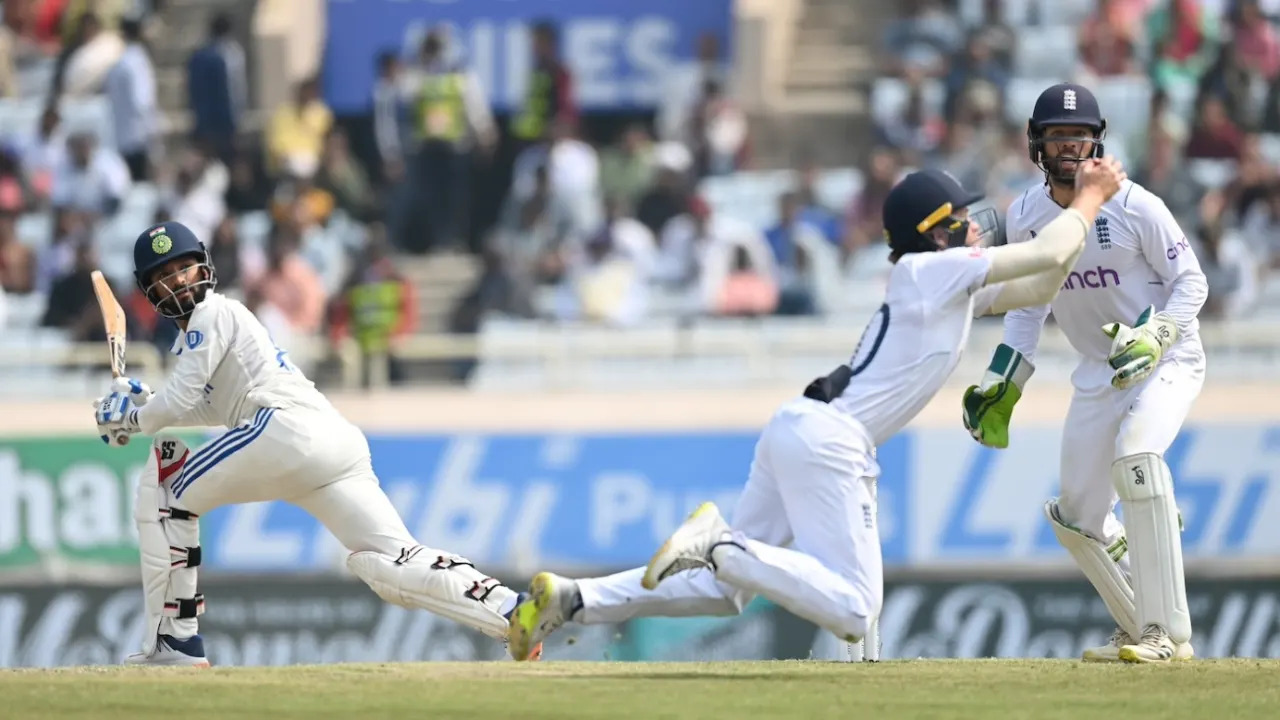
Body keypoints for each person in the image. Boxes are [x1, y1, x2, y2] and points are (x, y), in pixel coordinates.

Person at [505, 156, 1130, 662]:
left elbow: (1044, 281)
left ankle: (573, 599)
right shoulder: (929, 271)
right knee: (857, 609)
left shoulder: (941, 281)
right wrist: (1091, 196)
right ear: (935, 230)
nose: (974, 225)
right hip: (832, 438)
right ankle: (719, 539)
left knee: (724, 593)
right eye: (961, 218)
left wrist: (1076, 216)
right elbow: (1046, 255)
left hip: (802, 428)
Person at [92, 221, 539, 666]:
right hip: (330, 440)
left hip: (283, 431)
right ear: (149, 291)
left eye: (183, 268)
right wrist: (144, 406)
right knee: (392, 564)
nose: (177, 282)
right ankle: (510, 611)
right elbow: (209, 407)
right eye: (163, 276)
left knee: (166, 491)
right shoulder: (210, 331)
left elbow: (182, 399)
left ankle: (177, 643)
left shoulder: (214, 312)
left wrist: (133, 419)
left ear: (204, 266)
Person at [962, 83, 1208, 664]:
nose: (1069, 148)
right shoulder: (1025, 215)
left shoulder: (1135, 204)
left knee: (1137, 459)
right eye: (1057, 137)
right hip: (1098, 372)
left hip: (1167, 359)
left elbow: (1192, 282)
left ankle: (1163, 635)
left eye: (1078, 137)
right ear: (1036, 144)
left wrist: (1159, 334)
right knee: (1077, 517)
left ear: (1097, 142)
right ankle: (1135, 622)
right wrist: (1006, 382)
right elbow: (1030, 304)